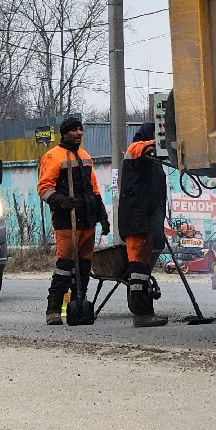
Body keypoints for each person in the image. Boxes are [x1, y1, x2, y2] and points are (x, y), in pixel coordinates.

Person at [37, 116, 109, 324]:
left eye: (80, 129)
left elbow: (94, 191)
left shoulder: (85, 156)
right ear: (64, 133)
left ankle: (79, 302)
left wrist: (102, 218)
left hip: (87, 221)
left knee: (84, 267)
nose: (78, 133)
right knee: (64, 265)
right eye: (74, 130)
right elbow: (44, 188)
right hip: (67, 221)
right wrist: (60, 201)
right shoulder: (52, 157)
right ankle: (53, 309)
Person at [117, 122, 168, 327]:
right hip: (137, 221)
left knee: (142, 269)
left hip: (146, 220)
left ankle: (144, 312)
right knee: (138, 270)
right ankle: (142, 315)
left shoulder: (153, 162)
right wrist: (167, 141)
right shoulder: (136, 148)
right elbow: (148, 147)